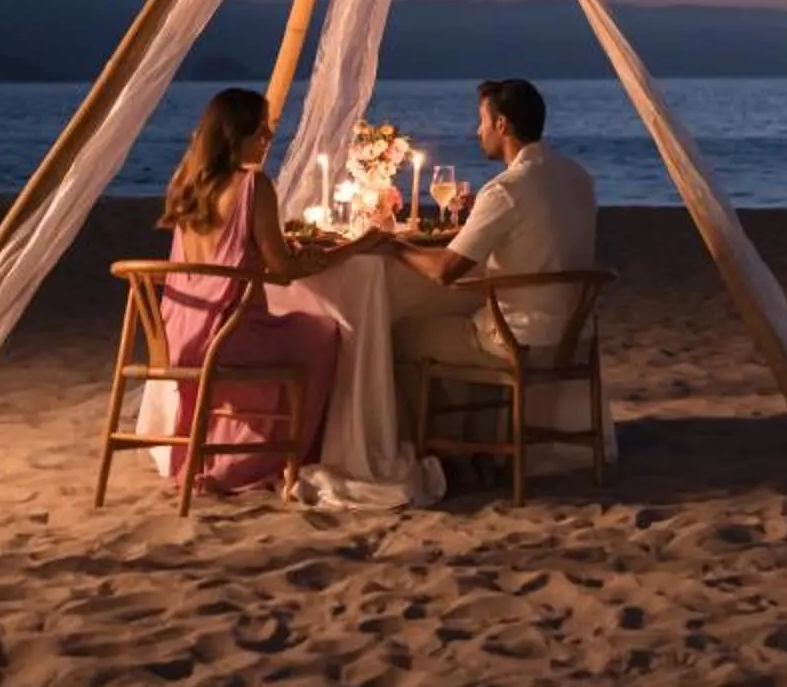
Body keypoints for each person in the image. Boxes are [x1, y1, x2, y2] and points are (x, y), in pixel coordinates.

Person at [381, 78, 608, 467]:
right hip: (575, 335)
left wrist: (393, 246)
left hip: (520, 340)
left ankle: (434, 455)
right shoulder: (577, 176)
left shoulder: (505, 190)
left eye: (481, 121)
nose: (477, 131)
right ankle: (479, 445)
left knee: (400, 337)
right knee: (460, 325)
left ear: (502, 125)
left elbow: (444, 272)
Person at [156, 87, 350, 493]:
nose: (267, 139)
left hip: (179, 336)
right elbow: (281, 272)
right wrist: (313, 260)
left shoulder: (187, 184)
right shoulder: (253, 187)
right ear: (234, 134)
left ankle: (224, 454)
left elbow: (230, 256)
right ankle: (283, 455)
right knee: (322, 333)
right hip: (227, 338)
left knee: (289, 332)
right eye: (259, 131)